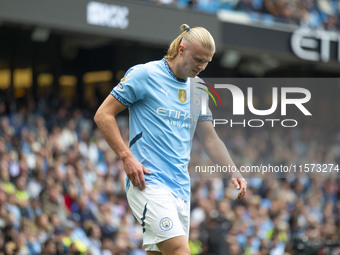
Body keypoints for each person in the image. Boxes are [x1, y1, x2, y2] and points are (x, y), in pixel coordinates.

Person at [94, 24, 247, 255]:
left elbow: (210, 138)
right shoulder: (144, 74)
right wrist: (126, 156)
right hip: (148, 182)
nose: (201, 66)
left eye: (207, 61)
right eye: (198, 59)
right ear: (182, 49)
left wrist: (233, 170)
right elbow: (103, 115)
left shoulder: (198, 88)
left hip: (180, 189)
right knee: (179, 251)